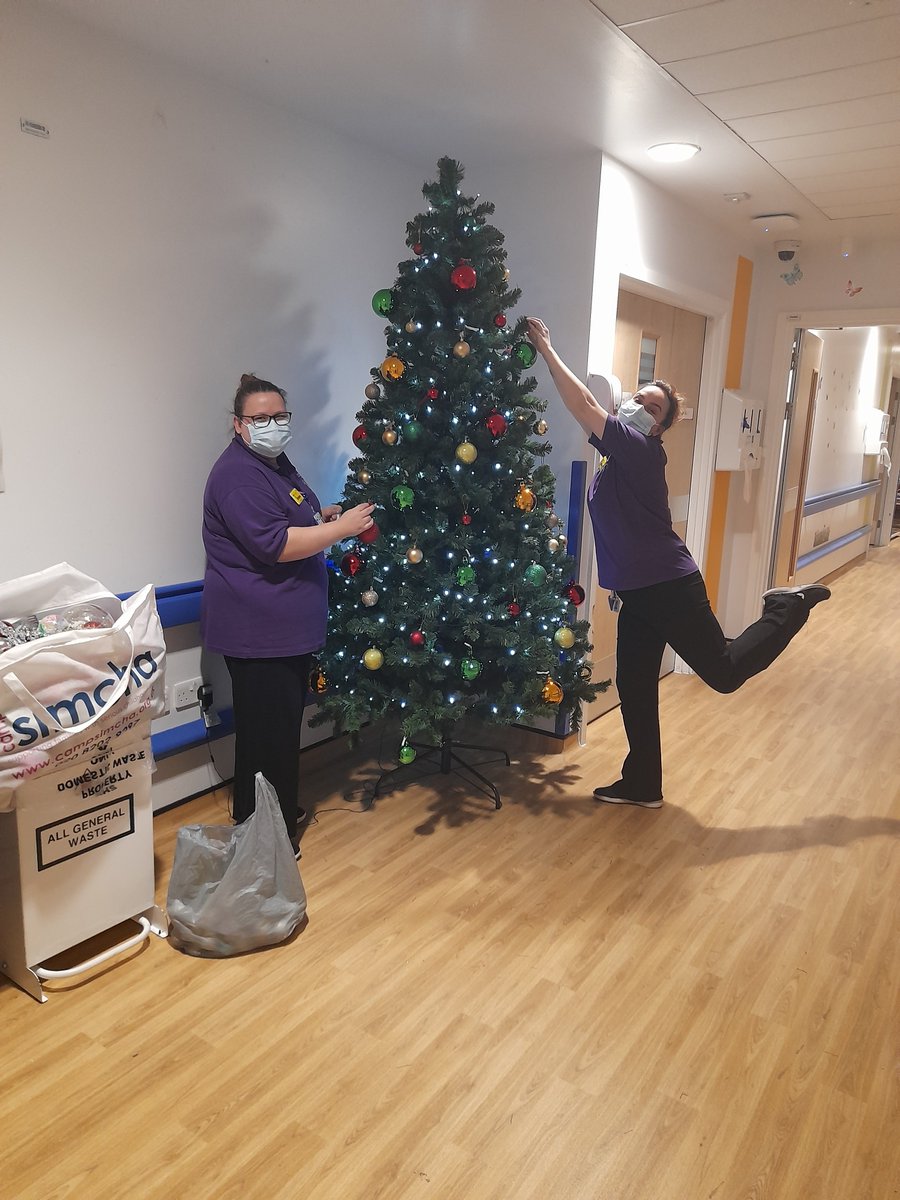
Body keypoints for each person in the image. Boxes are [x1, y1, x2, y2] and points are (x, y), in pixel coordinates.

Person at [525, 317, 830, 809]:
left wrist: (545, 347)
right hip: (640, 593)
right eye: (639, 399)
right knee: (635, 685)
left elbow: (582, 403)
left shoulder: (642, 450)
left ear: (662, 426)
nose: (642, 407)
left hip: (668, 586)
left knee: (724, 672)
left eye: (654, 407)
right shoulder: (614, 451)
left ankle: (786, 608)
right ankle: (644, 783)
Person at [201, 374, 374, 851]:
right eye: (260, 418)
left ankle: (270, 815)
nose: (272, 425)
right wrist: (341, 531)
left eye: (279, 416)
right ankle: (266, 840)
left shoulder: (274, 463)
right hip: (258, 631)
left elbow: (294, 518)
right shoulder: (237, 475)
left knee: (276, 731)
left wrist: (325, 518)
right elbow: (276, 544)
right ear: (239, 425)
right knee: (266, 737)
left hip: (285, 630)